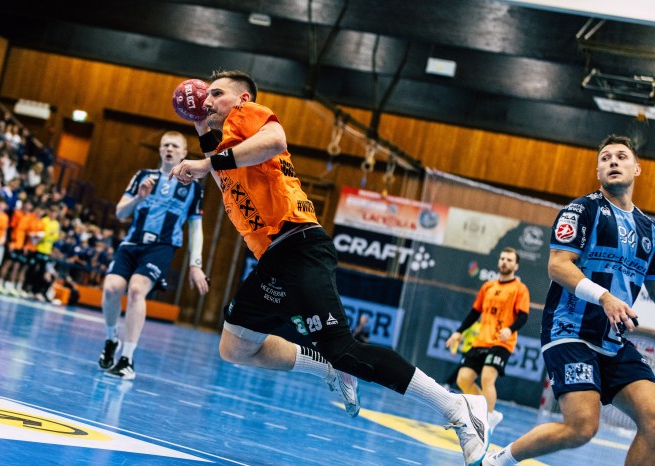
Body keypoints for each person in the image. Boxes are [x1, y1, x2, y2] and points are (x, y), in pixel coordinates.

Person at [169, 70, 489, 465]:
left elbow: (276, 140)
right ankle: (325, 366)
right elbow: (225, 178)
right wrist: (202, 129)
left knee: (346, 350)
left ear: (242, 99)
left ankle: (458, 406)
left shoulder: (247, 115)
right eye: (206, 97)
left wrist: (206, 161)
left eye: (216, 94)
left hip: (300, 245)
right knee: (235, 347)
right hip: (274, 259)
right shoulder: (231, 148)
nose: (209, 100)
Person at [483, 135, 655, 466]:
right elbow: (558, 266)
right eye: (605, 158)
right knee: (581, 427)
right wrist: (604, 297)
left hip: (613, 341)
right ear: (598, 171)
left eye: (621, 156)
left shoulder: (649, 230)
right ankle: (497, 461)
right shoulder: (582, 210)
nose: (613, 161)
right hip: (569, 331)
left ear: (637, 169)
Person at [98, 131, 210, 381]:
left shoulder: (193, 187)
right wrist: (139, 198)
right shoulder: (143, 177)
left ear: (184, 153)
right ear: (160, 150)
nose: (169, 149)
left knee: (136, 290)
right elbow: (120, 213)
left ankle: (127, 360)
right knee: (111, 288)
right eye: (165, 145)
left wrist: (196, 264)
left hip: (162, 246)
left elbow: (196, 228)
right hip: (132, 242)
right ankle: (111, 340)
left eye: (175, 146)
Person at [445, 247, 530, 432]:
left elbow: (523, 316)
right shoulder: (487, 287)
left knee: (487, 377)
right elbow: (475, 312)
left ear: (516, 266)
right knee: (463, 379)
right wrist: (459, 332)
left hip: (502, 342)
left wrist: (510, 329)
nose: (504, 262)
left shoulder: (520, 289)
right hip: (481, 341)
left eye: (509, 260)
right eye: (502, 258)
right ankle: (483, 412)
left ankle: (488, 419)